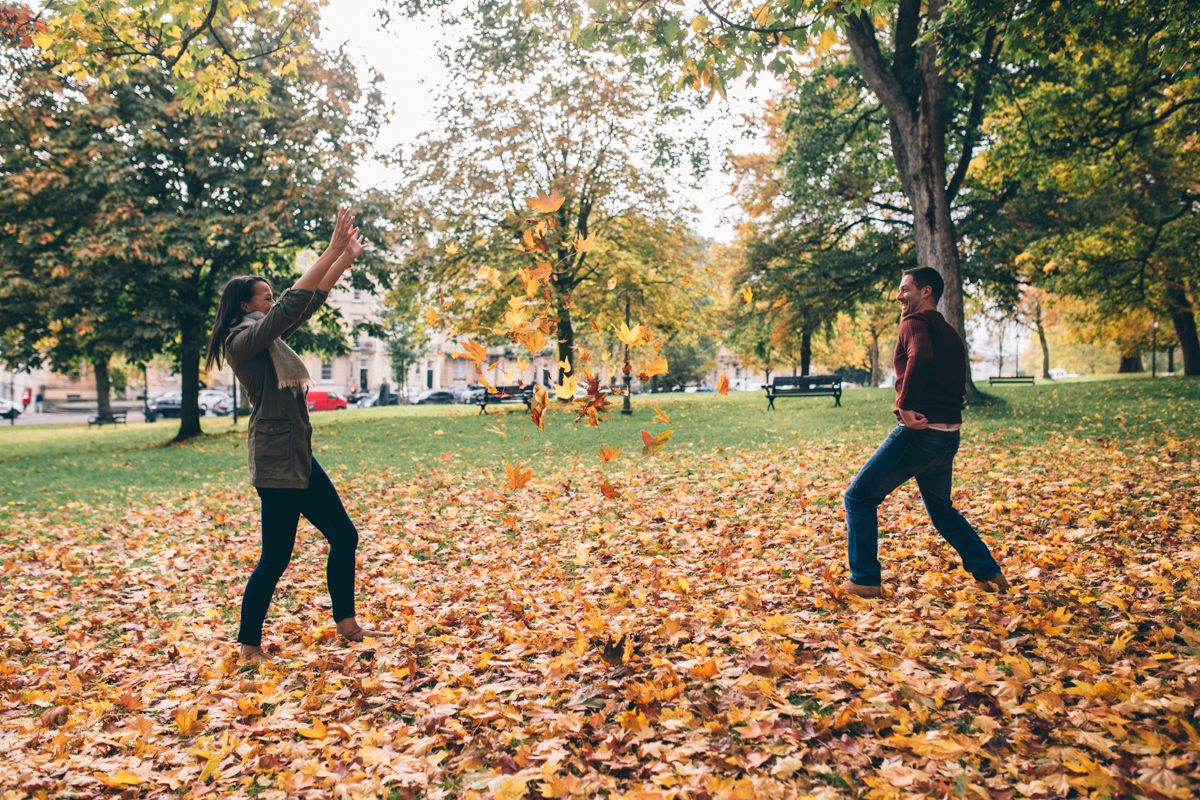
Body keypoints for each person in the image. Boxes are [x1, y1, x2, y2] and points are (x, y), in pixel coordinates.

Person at [204, 208, 386, 662]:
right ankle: (248, 646)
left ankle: (346, 622)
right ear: (246, 306)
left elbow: (305, 303)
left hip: (298, 455)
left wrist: (344, 258)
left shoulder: (269, 337)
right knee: (275, 559)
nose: (271, 302)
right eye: (264, 298)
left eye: (269, 296)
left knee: (344, 536)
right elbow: (290, 306)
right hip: (274, 460)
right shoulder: (240, 343)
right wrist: (329, 250)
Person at [843, 267, 1009, 598]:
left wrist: (905, 405)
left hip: (920, 435)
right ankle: (990, 575)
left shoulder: (914, 323)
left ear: (926, 292)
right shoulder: (949, 332)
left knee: (858, 496)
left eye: (905, 289)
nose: (899, 295)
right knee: (943, 512)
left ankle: (864, 580)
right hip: (948, 438)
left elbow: (921, 355)